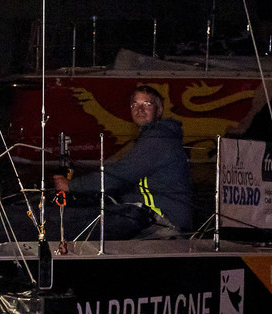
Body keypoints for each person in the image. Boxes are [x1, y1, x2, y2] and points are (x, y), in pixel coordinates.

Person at [52, 84, 192, 238]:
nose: (140, 110)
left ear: (158, 110)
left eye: (147, 104)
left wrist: (71, 185)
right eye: (135, 104)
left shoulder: (158, 140)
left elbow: (120, 174)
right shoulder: (149, 139)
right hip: (152, 217)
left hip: (166, 223)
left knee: (90, 231)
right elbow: (123, 174)